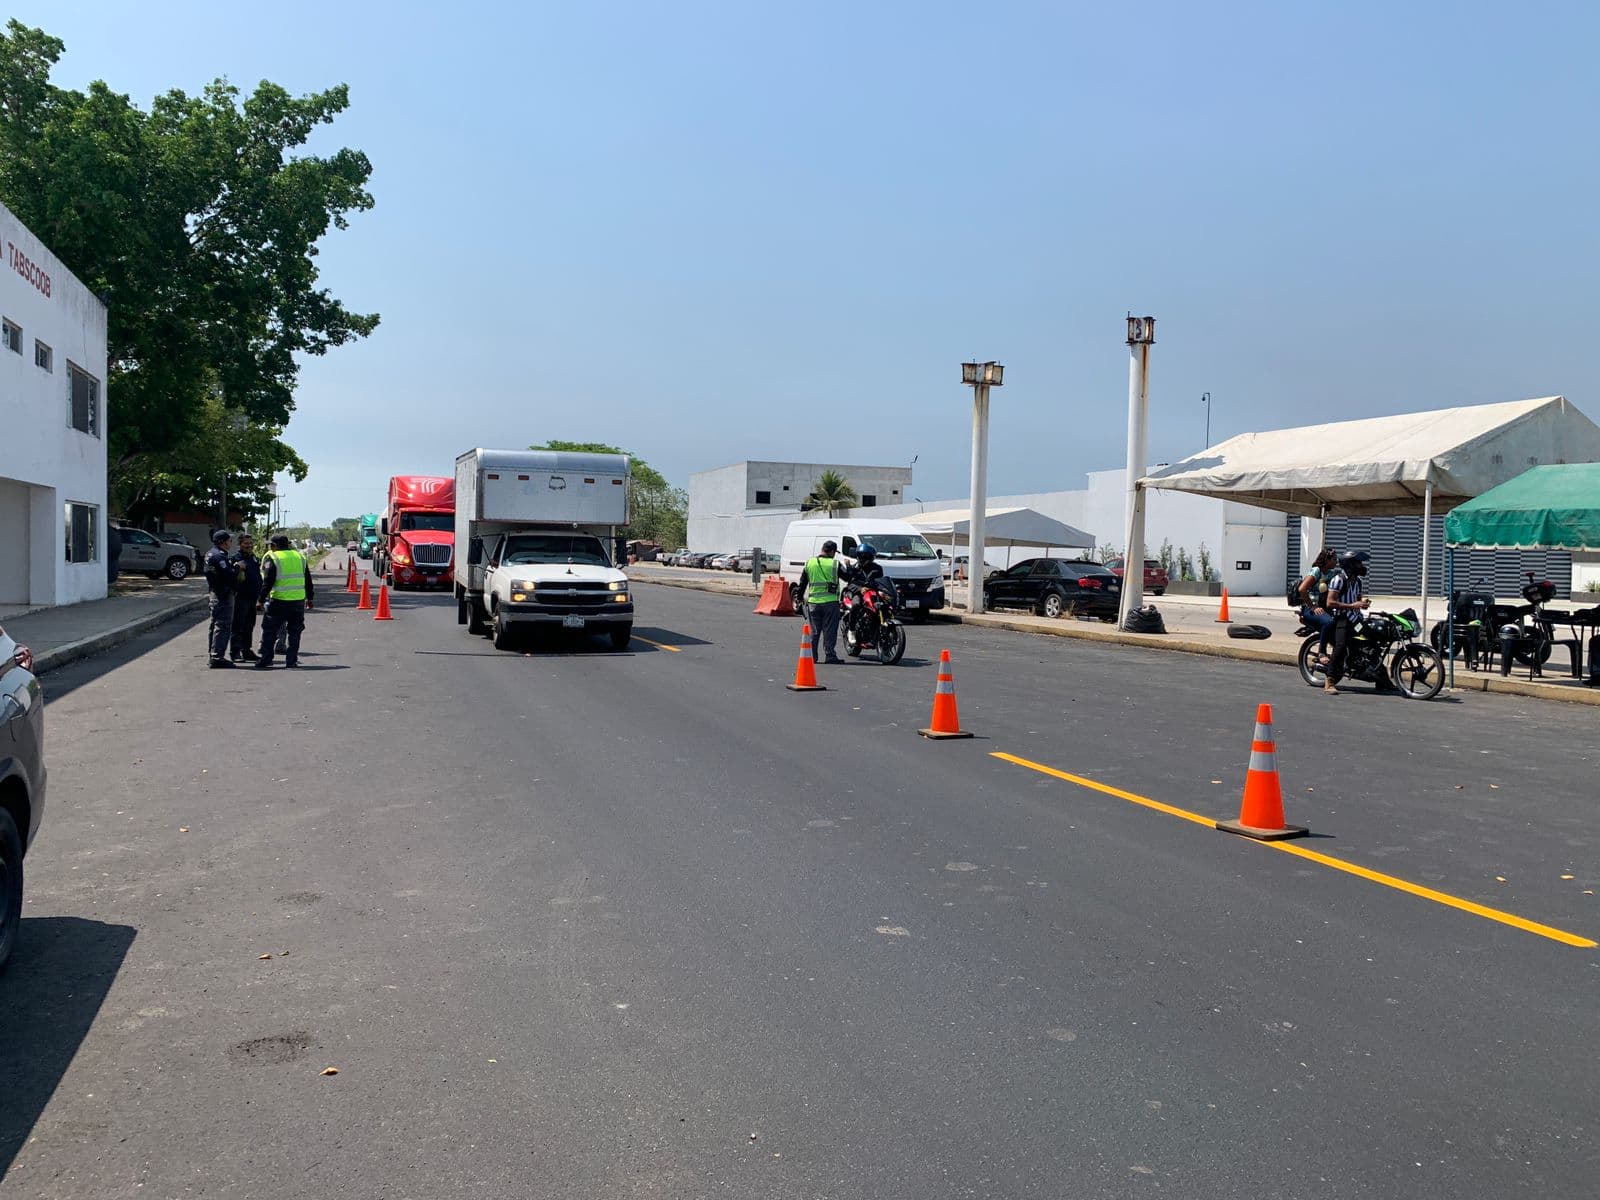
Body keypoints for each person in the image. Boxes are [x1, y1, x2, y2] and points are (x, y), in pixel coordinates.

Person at [256, 534, 314, 669]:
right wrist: (310, 597)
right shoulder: (299, 557)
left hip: (279, 600)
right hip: (298, 601)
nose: (270, 547)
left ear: (275, 546)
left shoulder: (274, 557)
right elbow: (308, 579)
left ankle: (266, 659)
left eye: (271, 545)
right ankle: (291, 661)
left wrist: (260, 599)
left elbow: (268, 581)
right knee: (295, 632)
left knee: (269, 630)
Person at [1322, 551, 1372, 695]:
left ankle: (1382, 679)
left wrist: (1362, 604)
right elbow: (1330, 602)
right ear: (1349, 565)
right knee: (1341, 646)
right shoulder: (1338, 579)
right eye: (1358, 563)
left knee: (1372, 640)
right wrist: (1352, 606)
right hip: (1342, 618)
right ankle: (1329, 680)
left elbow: (1357, 599)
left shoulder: (1358, 581)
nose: (1361, 566)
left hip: (1356, 619)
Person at [798, 540, 845, 664]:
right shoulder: (835, 564)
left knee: (815, 631)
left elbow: (802, 583)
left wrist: (799, 598)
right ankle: (830, 655)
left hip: (813, 603)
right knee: (829, 630)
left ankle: (812, 656)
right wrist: (849, 567)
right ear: (832, 551)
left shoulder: (810, 563)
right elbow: (848, 576)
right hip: (830, 603)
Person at [203, 530, 242, 669]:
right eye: (229, 540)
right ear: (222, 542)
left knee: (215, 625)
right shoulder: (219, 556)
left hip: (215, 593)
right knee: (223, 626)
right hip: (223, 594)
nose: (230, 543)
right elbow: (230, 575)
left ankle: (213, 654)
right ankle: (217, 657)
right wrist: (238, 567)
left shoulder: (210, 553)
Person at [1295, 547, 1338, 667]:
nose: (1336, 562)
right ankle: (1322, 652)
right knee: (1329, 622)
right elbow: (1302, 589)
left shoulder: (1331, 573)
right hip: (1310, 609)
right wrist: (1312, 606)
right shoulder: (1316, 571)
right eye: (1334, 559)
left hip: (1324, 608)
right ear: (1327, 560)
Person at [229, 533, 263, 662]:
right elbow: (231, 577)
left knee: (249, 625)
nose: (249, 545)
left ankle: (246, 651)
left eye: (250, 543)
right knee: (238, 625)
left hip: (252, 597)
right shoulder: (235, 559)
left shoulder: (254, 558)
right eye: (246, 543)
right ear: (239, 545)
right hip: (240, 597)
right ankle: (235, 652)